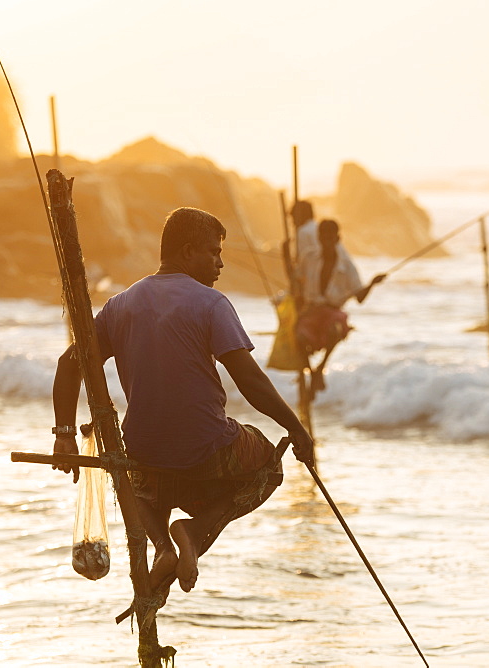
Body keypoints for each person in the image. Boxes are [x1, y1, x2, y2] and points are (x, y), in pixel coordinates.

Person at [51, 207, 314, 595]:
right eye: (214, 252)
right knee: (268, 466)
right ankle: (191, 530)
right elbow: (249, 380)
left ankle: (162, 547)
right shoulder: (210, 303)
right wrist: (295, 428)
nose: (221, 263)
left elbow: (68, 364)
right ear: (188, 251)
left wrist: (64, 435)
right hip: (205, 448)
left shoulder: (120, 304)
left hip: (145, 451)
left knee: (135, 476)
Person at [297, 218, 385, 397]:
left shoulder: (347, 265)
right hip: (312, 310)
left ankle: (320, 368)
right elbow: (296, 279)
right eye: (324, 238)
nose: (327, 242)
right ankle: (312, 373)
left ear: (337, 238)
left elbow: (359, 297)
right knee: (299, 338)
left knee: (335, 329)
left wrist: (372, 284)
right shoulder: (309, 256)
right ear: (319, 238)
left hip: (333, 312)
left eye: (331, 238)